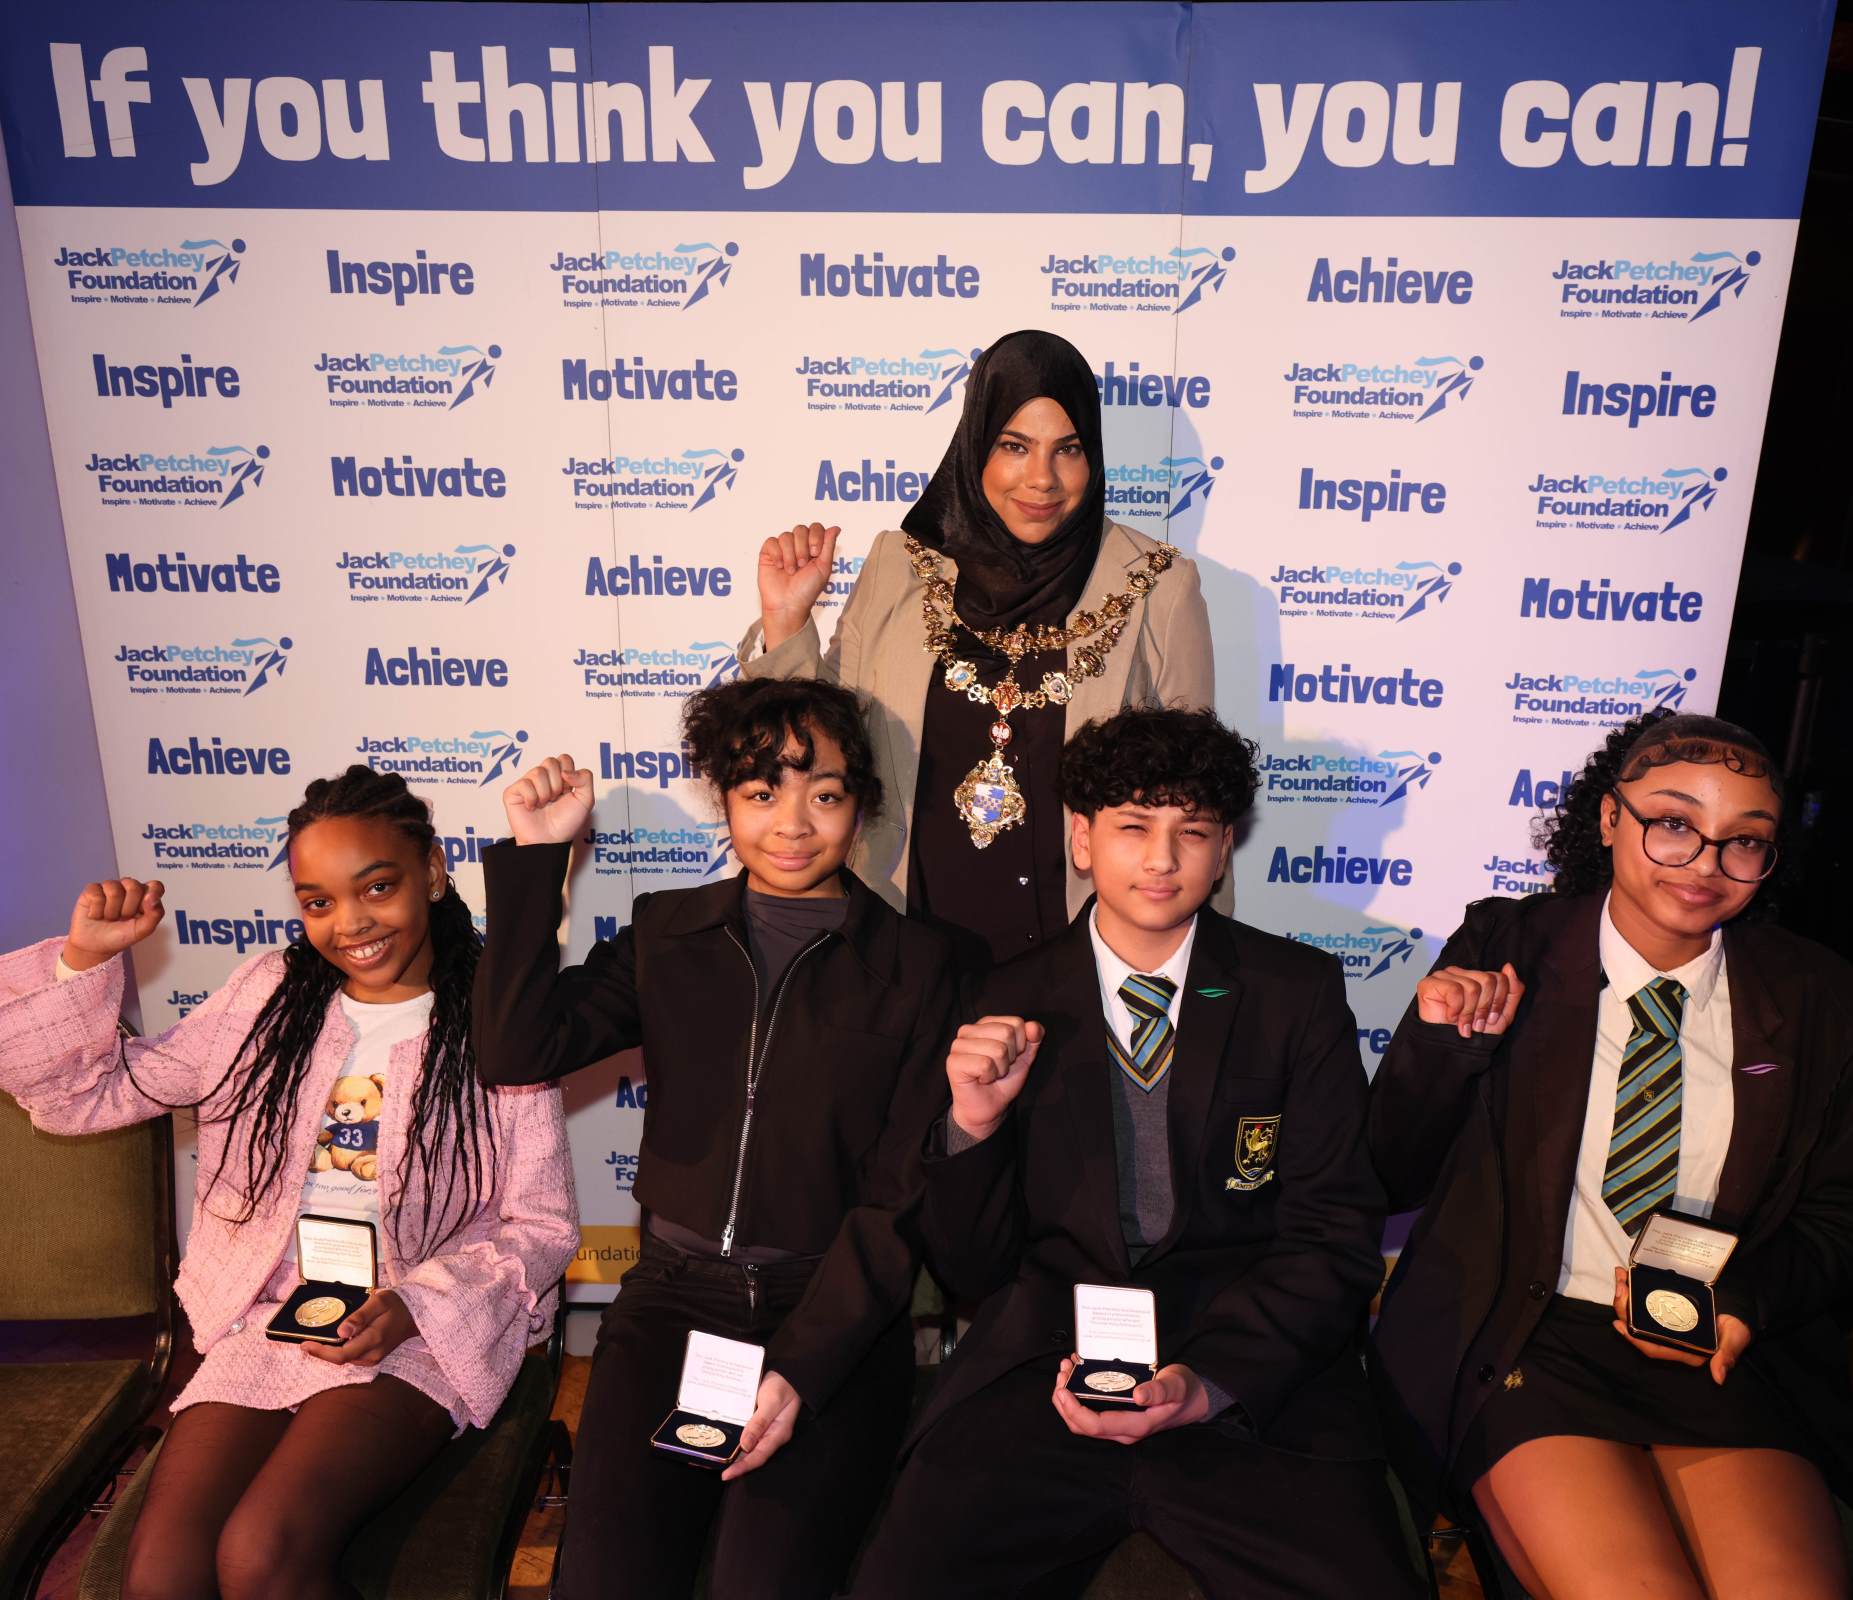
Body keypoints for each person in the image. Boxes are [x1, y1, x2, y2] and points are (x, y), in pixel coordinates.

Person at [851, 707, 1420, 1598]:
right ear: (1081, 839)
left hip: (1246, 1368)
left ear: (1224, 846)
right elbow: (971, 1265)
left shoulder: (1291, 993)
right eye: (1132, 827)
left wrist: (1211, 1382)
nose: (1161, 858)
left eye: (1190, 831)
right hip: (1049, 1361)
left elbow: (1332, 1233)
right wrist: (971, 1128)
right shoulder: (1005, 997)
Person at [0, 766, 577, 1600]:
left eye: (376, 887)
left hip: (423, 1323)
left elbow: (541, 1224)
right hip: (267, 1313)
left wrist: (417, 1303)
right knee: (160, 1581)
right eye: (318, 902)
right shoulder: (266, 995)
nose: (350, 924)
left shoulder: (500, 1014)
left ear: (435, 872)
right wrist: (84, 960)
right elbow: (85, 1097)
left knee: (261, 1555)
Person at [471, 677, 957, 1600]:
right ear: (725, 799)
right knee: (606, 1581)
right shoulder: (666, 932)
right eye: (761, 792)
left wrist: (807, 1367)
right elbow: (514, 1049)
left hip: (834, 1317)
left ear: (862, 807)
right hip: (669, 1304)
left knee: (757, 1583)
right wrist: (540, 861)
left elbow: (900, 1200)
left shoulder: (921, 965)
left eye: (825, 794)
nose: (793, 824)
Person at [1369, 711, 1853, 1599]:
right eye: (1673, 824)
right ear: (1607, 818)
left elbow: (1834, 1211)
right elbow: (1386, 1173)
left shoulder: (1811, 990)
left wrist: (1746, 1302)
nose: (1705, 865)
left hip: (1714, 1347)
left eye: (1743, 842)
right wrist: (1444, 1047)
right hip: (1528, 1339)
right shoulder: (1507, 947)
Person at [744, 328, 1217, 970]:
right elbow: (821, 746)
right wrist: (786, 621)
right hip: (905, 953)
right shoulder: (901, 566)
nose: (1042, 479)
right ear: (975, 448)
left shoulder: (1153, 584)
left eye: (1068, 450)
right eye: (1014, 447)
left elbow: (1194, 800)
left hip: (1083, 959)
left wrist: (1203, 977)